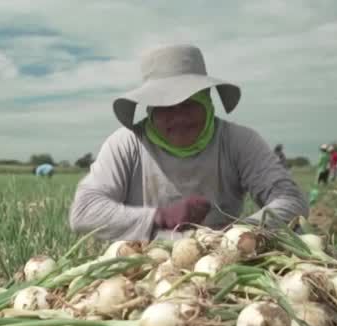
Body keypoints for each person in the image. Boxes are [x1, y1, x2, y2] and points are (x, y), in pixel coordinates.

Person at [68, 44, 308, 241]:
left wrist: (238, 234)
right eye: (164, 107)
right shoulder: (126, 144)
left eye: (189, 103)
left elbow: (291, 200)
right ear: (150, 110)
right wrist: (158, 217)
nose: (179, 118)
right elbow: (84, 212)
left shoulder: (238, 141)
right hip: (142, 262)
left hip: (224, 259)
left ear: (207, 101)